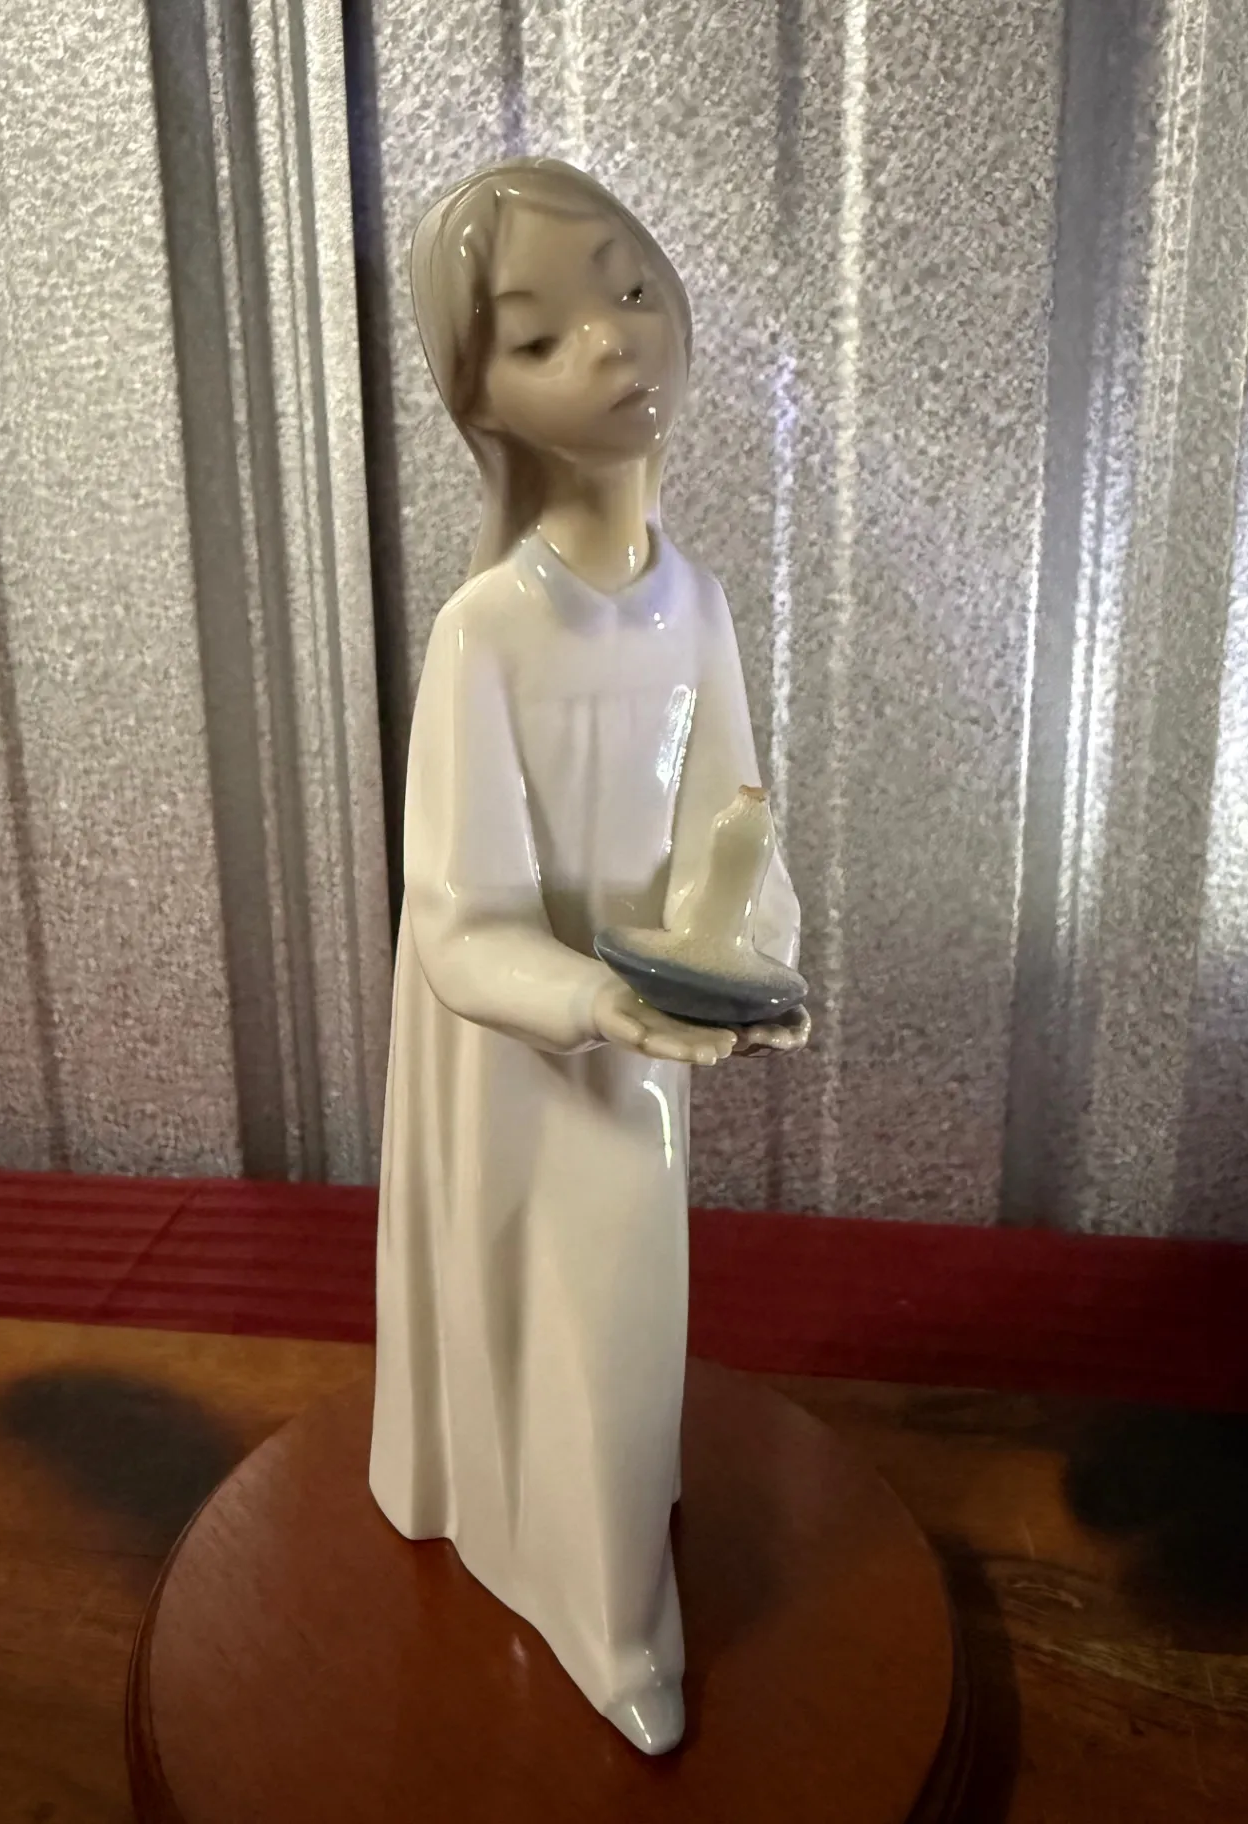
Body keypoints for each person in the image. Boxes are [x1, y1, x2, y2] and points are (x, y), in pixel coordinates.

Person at [369, 158, 808, 1755]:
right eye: (544, 333)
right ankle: (611, 1618)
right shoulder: (488, 630)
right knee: (574, 1303)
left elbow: (736, 833)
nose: (615, 343)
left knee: (620, 1320)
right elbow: (456, 917)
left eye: (629, 292)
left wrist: (750, 949)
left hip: (647, 1044)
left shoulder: (697, 608)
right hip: (525, 1056)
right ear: (478, 394)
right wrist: (596, 999)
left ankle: (597, 1540)